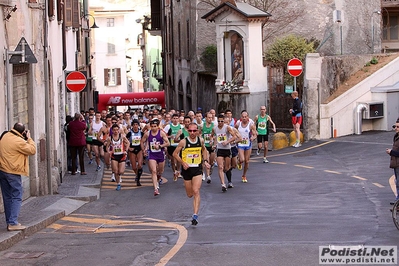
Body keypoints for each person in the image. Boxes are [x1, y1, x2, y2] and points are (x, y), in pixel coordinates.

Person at [0, 123, 36, 231]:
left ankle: (9, 221)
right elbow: (32, 150)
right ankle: (12, 223)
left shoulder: (5, 136)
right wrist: (29, 138)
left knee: (7, 197)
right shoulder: (19, 141)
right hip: (13, 172)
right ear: (22, 132)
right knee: (17, 196)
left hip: (2, 170)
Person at [173, 123, 210, 225]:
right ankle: (195, 206)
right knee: (190, 194)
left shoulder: (200, 140)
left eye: (194, 131)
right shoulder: (183, 142)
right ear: (188, 131)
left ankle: (195, 215)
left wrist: (205, 161)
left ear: (197, 131)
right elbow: (175, 154)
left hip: (197, 169)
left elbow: (204, 150)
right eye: (190, 131)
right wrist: (183, 163)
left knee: (196, 190)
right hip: (187, 170)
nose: (192, 133)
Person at [141, 119, 170, 196]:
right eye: (152, 126)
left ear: (158, 126)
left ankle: (159, 177)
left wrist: (160, 146)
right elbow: (142, 141)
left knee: (160, 170)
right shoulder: (147, 133)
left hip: (160, 154)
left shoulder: (161, 133)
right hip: (152, 154)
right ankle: (156, 189)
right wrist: (144, 150)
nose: (153, 128)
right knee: (153, 171)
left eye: (155, 126)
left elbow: (168, 143)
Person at [212, 114, 236, 192]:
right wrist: (212, 143)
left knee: (226, 168)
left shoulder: (227, 128)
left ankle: (229, 180)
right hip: (220, 149)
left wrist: (227, 141)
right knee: (220, 167)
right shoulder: (215, 128)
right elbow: (212, 136)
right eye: (218, 121)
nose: (220, 122)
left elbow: (234, 137)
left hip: (227, 149)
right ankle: (223, 184)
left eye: (222, 121)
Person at [106, 123, 130, 191]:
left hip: (122, 155)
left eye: (117, 130)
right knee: (116, 171)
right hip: (114, 156)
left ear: (119, 130)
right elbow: (107, 147)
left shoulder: (122, 136)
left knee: (121, 171)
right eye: (114, 130)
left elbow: (128, 143)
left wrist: (126, 150)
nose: (116, 131)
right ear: (112, 131)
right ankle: (118, 184)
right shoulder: (110, 138)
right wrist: (109, 152)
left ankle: (119, 177)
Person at [236, 111, 257, 183]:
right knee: (242, 159)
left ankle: (244, 175)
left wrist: (253, 138)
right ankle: (239, 162)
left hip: (248, 144)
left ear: (248, 117)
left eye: (245, 117)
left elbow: (255, 134)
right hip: (240, 144)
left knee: (247, 161)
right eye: (243, 117)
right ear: (241, 117)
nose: (244, 118)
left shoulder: (250, 125)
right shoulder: (238, 124)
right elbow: (234, 131)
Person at [127, 119, 144, 186]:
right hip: (132, 150)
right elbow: (124, 141)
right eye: (134, 125)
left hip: (139, 149)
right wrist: (128, 148)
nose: (135, 126)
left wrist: (144, 149)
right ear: (132, 126)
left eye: (136, 124)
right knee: (134, 167)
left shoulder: (141, 133)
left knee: (139, 165)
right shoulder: (130, 133)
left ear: (138, 125)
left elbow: (145, 140)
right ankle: (137, 174)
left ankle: (138, 179)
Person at [386, 119, 399, 202]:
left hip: (398, 163)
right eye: (395, 126)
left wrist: (391, 152)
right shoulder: (396, 137)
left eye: (398, 127)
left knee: (398, 183)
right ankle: (397, 201)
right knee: (397, 182)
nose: (396, 128)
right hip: (396, 163)